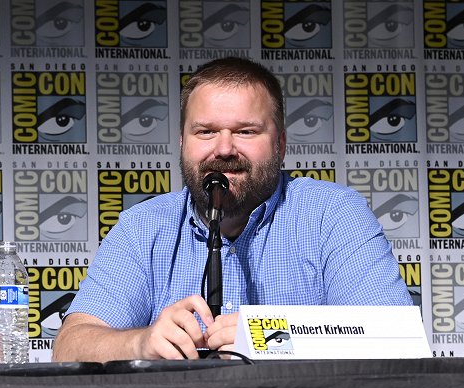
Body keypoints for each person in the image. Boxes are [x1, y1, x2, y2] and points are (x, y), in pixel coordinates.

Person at [53, 57, 412, 362]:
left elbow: (399, 341)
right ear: (182, 143)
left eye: (245, 131)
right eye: (206, 132)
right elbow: (69, 346)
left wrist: (270, 337)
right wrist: (141, 343)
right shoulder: (142, 227)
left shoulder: (332, 214)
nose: (224, 149)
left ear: (281, 144)